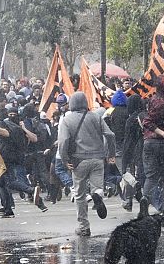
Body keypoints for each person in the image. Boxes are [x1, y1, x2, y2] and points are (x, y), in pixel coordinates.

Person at [58, 91, 116, 237]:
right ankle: (97, 196)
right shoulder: (96, 117)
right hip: (98, 159)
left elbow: (63, 141)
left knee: (79, 194)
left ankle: (84, 227)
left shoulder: (67, 120)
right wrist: (111, 154)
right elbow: (110, 135)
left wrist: (65, 159)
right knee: (98, 187)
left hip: (78, 161)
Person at [142, 75, 164, 227]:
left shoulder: (156, 99)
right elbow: (148, 122)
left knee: (152, 178)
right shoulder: (161, 102)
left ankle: (144, 205)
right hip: (159, 144)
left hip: (151, 143)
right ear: (161, 85)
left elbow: (154, 122)